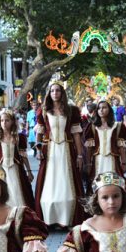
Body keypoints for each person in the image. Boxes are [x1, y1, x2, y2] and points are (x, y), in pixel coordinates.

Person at [33, 83, 86, 228]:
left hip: (67, 150)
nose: (55, 93)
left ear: (62, 93)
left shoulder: (71, 111)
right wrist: (38, 149)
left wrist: (80, 155)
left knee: (67, 182)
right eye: (52, 90)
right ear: (49, 93)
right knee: (49, 182)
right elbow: (40, 132)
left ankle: (68, 219)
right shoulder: (43, 111)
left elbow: (76, 135)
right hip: (50, 152)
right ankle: (49, 219)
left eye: (58, 90)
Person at [0, 109, 35, 209]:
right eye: (2, 121)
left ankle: (20, 213)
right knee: (3, 192)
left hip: (15, 168)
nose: (4, 123)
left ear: (12, 121)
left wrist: (29, 171)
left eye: (7, 120)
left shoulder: (19, 137)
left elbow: (23, 155)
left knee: (17, 191)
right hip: (1, 169)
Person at [85, 100, 126, 184]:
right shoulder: (92, 127)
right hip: (98, 160)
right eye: (99, 108)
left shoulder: (118, 126)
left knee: (115, 184)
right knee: (97, 184)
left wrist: (123, 163)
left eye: (104, 108)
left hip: (113, 160)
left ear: (109, 110)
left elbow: (121, 147)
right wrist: (88, 164)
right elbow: (89, 148)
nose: (101, 110)